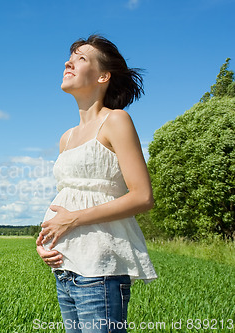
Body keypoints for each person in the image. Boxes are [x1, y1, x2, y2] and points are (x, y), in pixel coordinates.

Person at [36, 35, 157, 333]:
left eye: (81, 58)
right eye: (70, 57)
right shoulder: (66, 137)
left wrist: (72, 220)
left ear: (103, 76)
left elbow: (142, 196)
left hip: (100, 269)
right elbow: (69, 196)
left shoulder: (116, 121)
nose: (68, 62)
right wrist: (45, 241)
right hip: (65, 267)